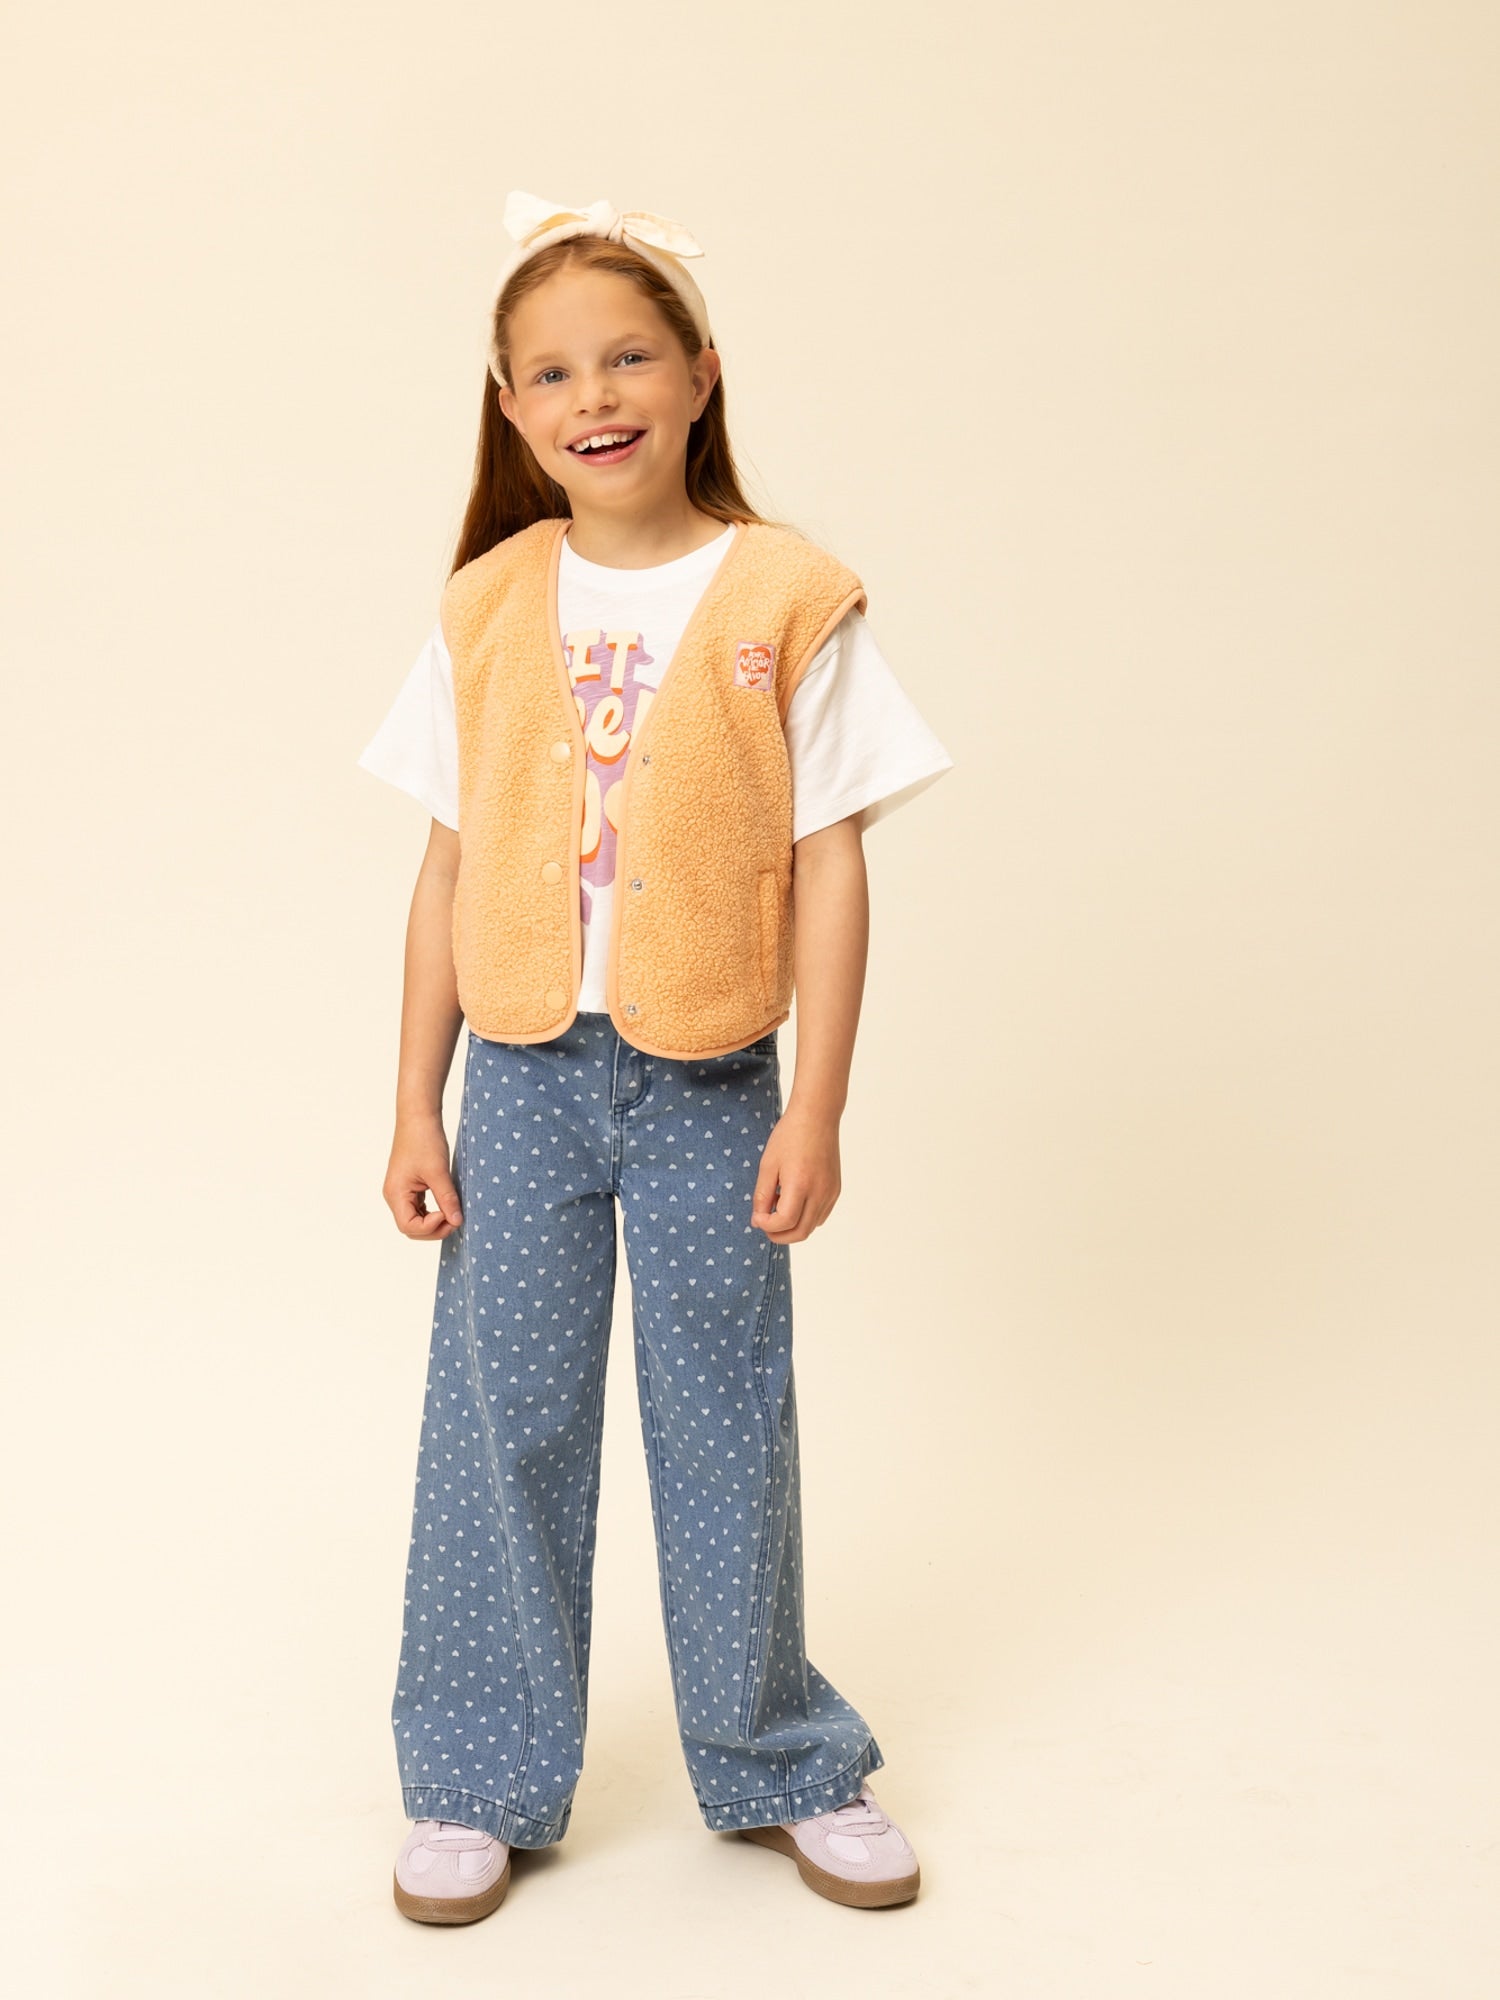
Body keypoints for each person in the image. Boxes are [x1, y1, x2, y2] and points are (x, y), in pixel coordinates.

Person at [356, 191, 954, 1923]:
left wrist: (818, 1105)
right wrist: (413, 1102)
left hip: (710, 1084)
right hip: (524, 1080)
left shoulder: (787, 597)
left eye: (628, 356)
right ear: (510, 406)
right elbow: (447, 866)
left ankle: (780, 1758)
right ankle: (478, 1773)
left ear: (700, 375)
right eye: (551, 372)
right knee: (507, 1424)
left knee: (724, 1421)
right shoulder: (488, 605)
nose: (593, 394)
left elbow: (831, 862)